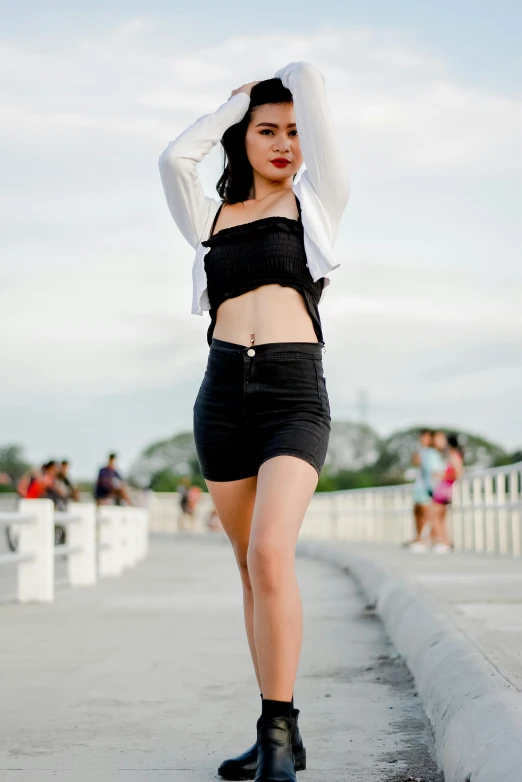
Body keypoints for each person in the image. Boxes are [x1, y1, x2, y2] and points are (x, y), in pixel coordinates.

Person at [159, 61, 349, 782]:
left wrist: (291, 77)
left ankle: (277, 739)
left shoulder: (316, 205)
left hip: (293, 393)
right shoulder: (209, 216)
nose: (283, 143)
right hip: (221, 396)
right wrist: (229, 105)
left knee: (271, 553)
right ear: (243, 140)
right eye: (267, 131)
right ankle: (278, 723)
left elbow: (319, 113)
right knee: (248, 568)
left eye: (294, 132)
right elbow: (174, 158)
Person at [430, 433, 464, 553]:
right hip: (444, 488)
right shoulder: (452, 456)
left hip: (445, 489)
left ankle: (444, 542)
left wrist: (441, 475)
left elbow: (458, 474)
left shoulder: (454, 456)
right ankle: (444, 541)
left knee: (435, 515)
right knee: (440, 517)